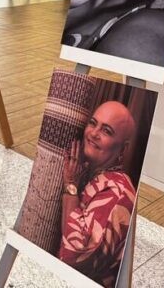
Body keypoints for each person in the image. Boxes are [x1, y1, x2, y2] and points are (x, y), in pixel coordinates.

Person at [59, 101, 136, 288]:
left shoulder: (116, 191)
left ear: (123, 149)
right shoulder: (95, 173)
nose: (94, 133)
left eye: (106, 131)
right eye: (93, 123)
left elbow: (73, 254)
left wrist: (70, 185)